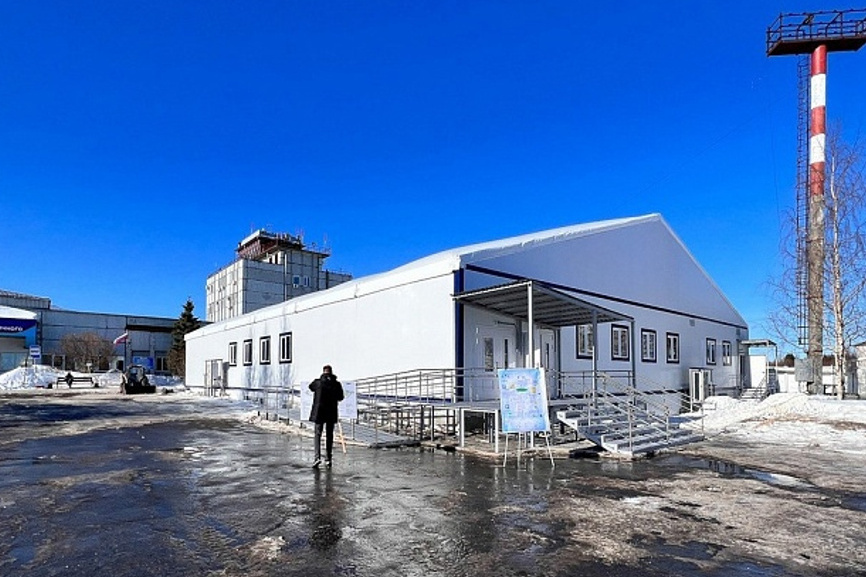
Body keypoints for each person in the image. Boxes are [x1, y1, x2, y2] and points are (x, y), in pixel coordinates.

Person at [308, 365, 344, 469]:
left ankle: (317, 457)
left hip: (319, 412)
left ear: (323, 372)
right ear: (331, 372)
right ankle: (328, 458)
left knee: (317, 434)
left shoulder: (318, 382)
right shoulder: (336, 384)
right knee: (329, 435)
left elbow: (310, 387)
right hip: (331, 412)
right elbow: (341, 397)